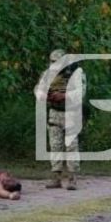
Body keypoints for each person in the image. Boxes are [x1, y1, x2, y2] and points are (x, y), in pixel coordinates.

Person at [35, 49, 85, 190]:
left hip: (71, 113)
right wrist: (44, 96)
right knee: (55, 146)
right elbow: (38, 89)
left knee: (71, 146)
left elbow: (81, 93)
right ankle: (56, 177)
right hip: (54, 112)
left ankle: (72, 177)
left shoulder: (76, 73)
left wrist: (63, 96)